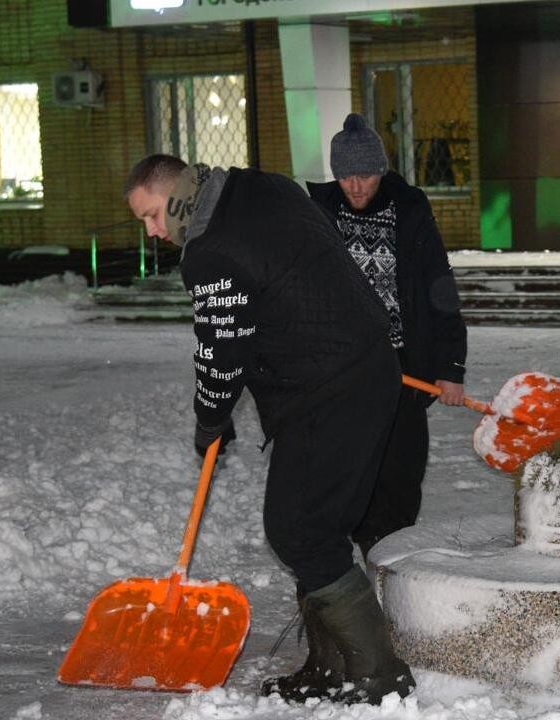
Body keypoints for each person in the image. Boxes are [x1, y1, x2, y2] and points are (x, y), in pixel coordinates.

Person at [123, 155, 415, 705]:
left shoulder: (210, 251)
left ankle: (378, 678)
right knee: (317, 531)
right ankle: (332, 669)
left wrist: (210, 419)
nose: (153, 231)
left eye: (153, 215)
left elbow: (219, 352)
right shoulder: (261, 187)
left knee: (299, 530)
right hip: (364, 368)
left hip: (328, 388)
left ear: (179, 193)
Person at [307, 113, 468, 560]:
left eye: (365, 175)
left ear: (381, 170)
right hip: (342, 372)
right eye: (345, 176)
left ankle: (392, 557)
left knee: (399, 471)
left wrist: (450, 367)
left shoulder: (409, 211)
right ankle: (356, 551)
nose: (356, 186)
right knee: (350, 469)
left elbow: (440, 290)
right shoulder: (318, 213)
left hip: (402, 368)